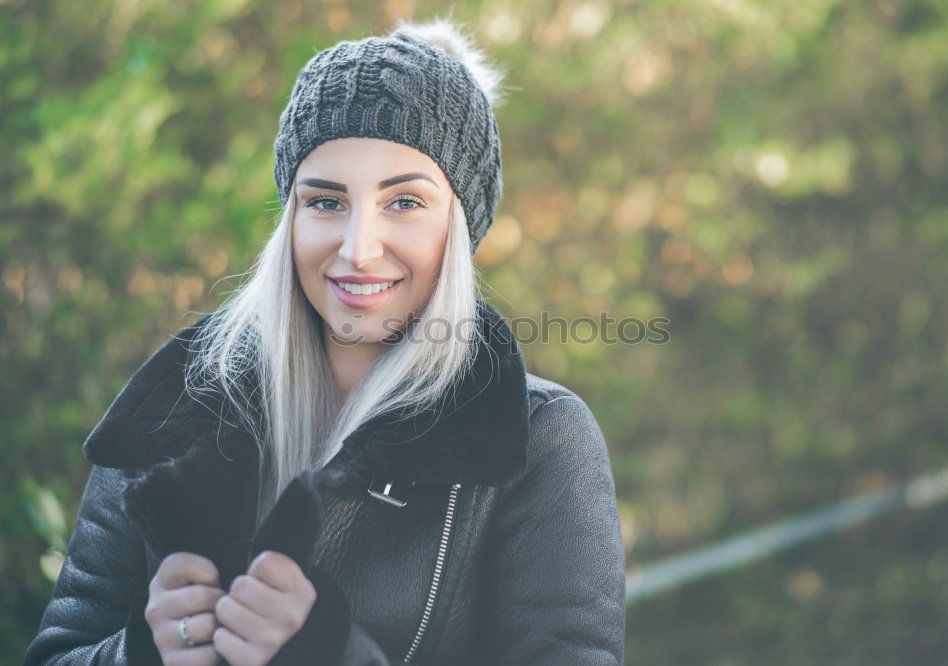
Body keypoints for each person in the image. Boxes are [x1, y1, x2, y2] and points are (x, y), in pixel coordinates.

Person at [24, 15, 626, 666]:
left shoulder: (537, 441)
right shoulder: (173, 411)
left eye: (405, 203)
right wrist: (140, 654)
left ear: (459, 226)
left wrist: (326, 652)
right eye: (326, 202)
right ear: (290, 219)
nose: (358, 248)